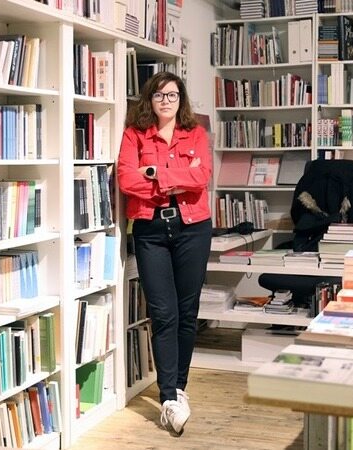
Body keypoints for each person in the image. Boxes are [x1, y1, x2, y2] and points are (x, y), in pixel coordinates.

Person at [116, 71, 212, 436]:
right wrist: (174, 177)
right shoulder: (134, 134)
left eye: (172, 95)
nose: (166, 101)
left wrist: (154, 174)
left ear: (180, 99)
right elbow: (127, 180)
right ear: (149, 101)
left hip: (193, 229)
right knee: (163, 313)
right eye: (159, 96)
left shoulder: (196, 134)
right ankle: (169, 396)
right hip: (151, 230)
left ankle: (178, 389)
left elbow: (200, 176)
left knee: (187, 312)